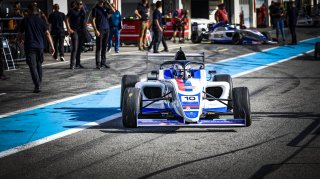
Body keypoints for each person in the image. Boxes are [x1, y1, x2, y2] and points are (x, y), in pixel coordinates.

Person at [18, 3, 55, 93]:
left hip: (30, 46)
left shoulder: (25, 20)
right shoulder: (41, 21)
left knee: (32, 66)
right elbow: (47, 34)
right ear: (36, 11)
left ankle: (37, 85)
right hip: (40, 46)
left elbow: (20, 33)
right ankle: (39, 83)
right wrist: (52, 46)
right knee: (39, 65)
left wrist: (20, 39)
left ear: (29, 11)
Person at [92, 0, 114, 70]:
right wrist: (95, 30)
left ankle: (103, 63)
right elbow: (92, 20)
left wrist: (108, 3)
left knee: (104, 47)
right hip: (99, 29)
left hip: (106, 29)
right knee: (99, 47)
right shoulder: (95, 9)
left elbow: (113, 11)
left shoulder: (105, 7)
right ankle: (98, 64)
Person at [66, 0, 86, 69]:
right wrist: (68, 28)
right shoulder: (72, 11)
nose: (80, 5)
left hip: (81, 31)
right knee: (75, 47)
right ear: (76, 4)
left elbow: (84, 19)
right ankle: (72, 64)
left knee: (80, 48)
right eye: (78, 4)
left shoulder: (82, 11)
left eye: (81, 4)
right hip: (74, 31)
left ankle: (78, 63)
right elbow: (66, 19)